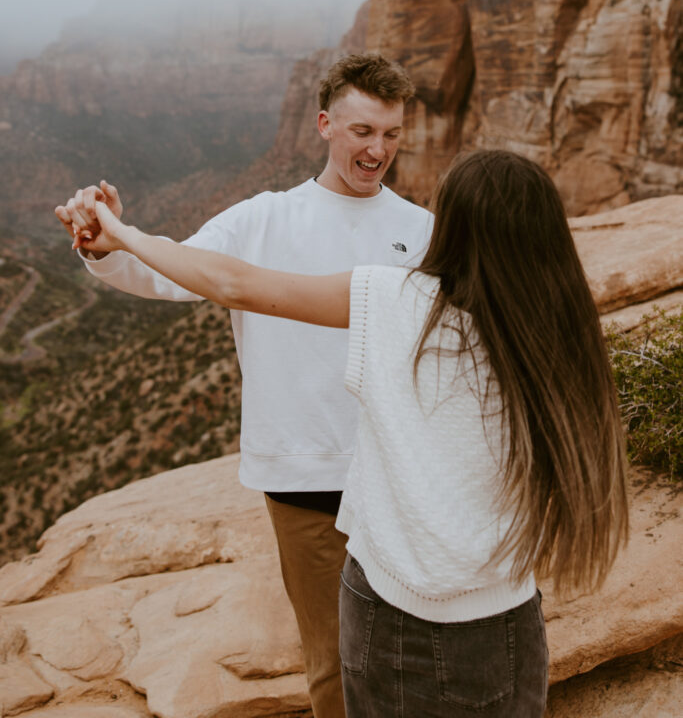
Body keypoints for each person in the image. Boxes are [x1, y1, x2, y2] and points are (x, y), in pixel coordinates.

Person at [74, 148, 629, 717]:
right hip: (505, 618)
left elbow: (233, 283)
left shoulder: (397, 301)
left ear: (454, 226)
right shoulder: (564, 328)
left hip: (386, 610)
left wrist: (121, 234)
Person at [55, 52, 433, 718]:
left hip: (399, 471)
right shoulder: (263, 217)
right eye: (362, 132)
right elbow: (172, 275)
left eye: (391, 134)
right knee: (336, 661)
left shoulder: (420, 228)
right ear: (323, 124)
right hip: (302, 475)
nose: (377, 149)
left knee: (413, 650)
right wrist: (107, 245)